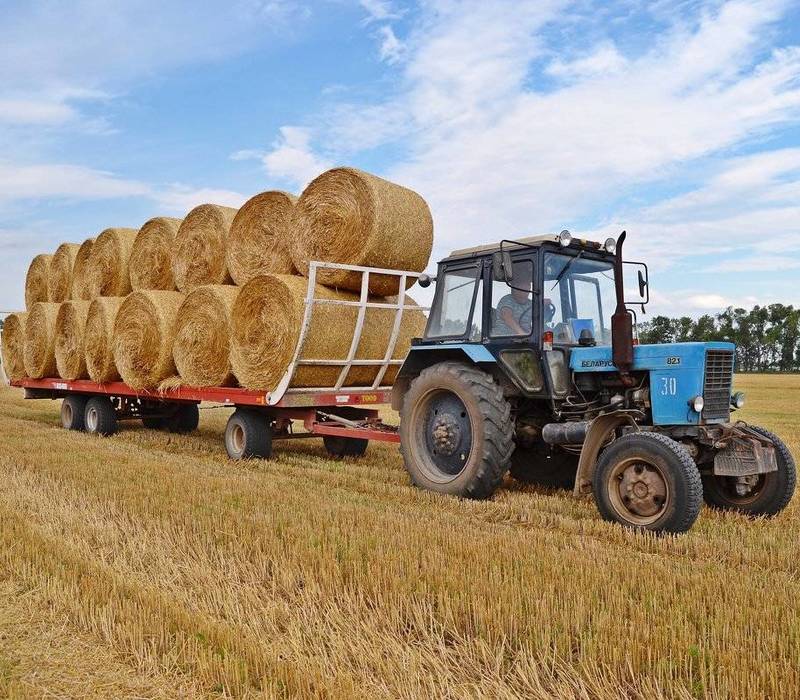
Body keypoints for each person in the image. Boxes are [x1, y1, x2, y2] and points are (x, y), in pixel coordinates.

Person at [494, 269, 533, 336]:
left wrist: (542, 304)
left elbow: (538, 316)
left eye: (528, 284)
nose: (527, 287)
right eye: (524, 284)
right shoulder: (507, 300)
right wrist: (522, 334)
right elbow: (507, 317)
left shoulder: (530, 303)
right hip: (504, 340)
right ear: (515, 287)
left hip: (525, 340)